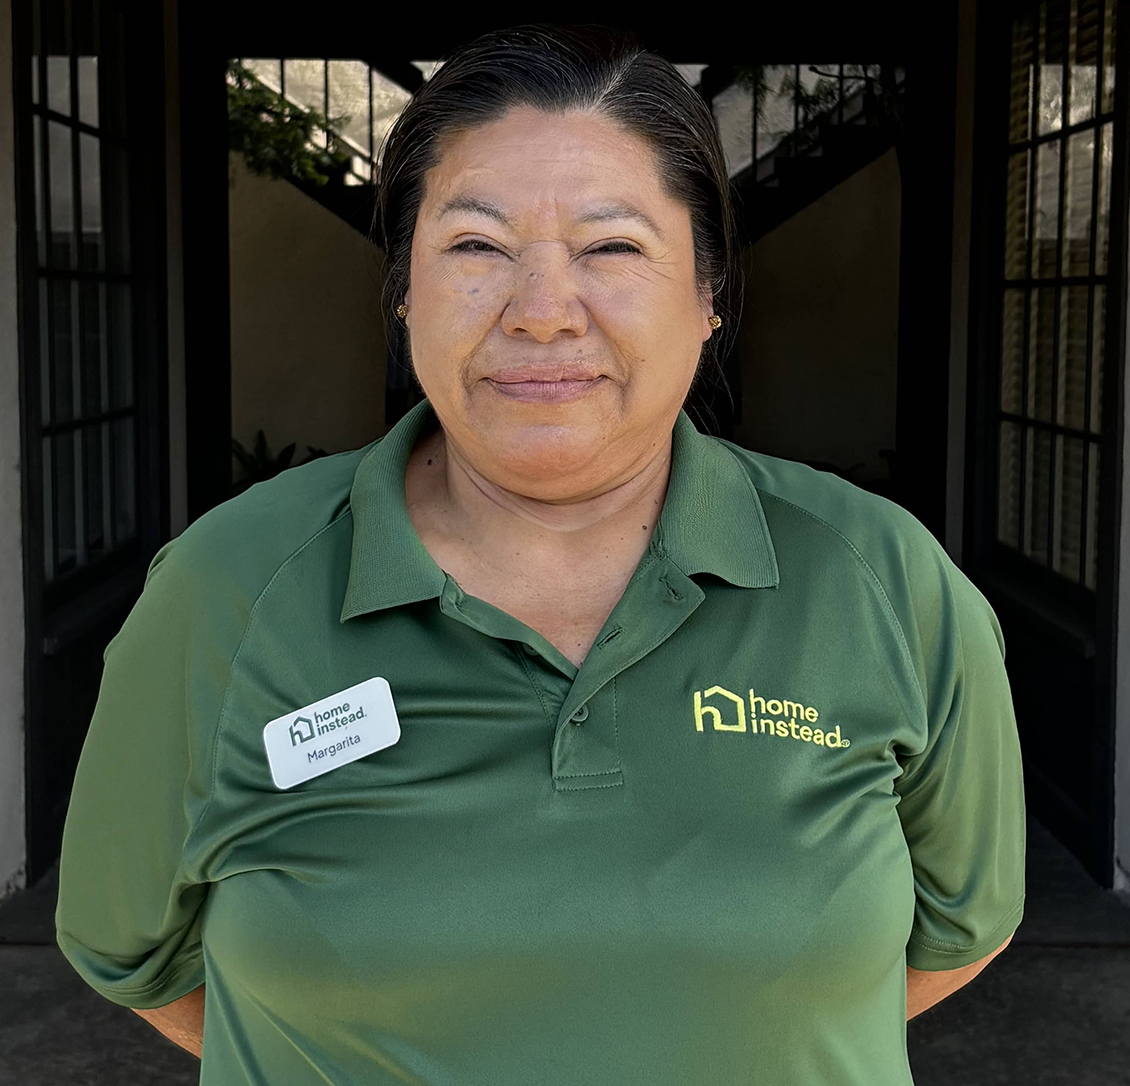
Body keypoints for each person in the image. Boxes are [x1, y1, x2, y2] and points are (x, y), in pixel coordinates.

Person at [54, 22, 1025, 1085]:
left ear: (706, 295)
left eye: (612, 248)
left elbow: (956, 928)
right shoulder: (226, 588)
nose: (542, 313)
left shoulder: (883, 580)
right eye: (475, 247)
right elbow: (135, 954)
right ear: (404, 291)